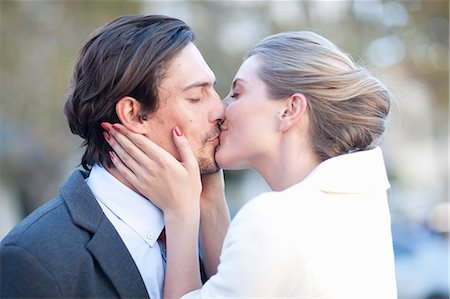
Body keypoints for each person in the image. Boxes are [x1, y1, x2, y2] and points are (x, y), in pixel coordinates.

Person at [103, 31, 398, 298]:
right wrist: (210, 199)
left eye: (237, 93)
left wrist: (181, 213)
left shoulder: (274, 218)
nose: (221, 108)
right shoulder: (356, 206)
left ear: (290, 110)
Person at [0, 14, 230, 298]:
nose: (220, 110)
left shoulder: (205, 229)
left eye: (214, 89)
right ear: (133, 114)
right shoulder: (35, 257)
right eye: (196, 97)